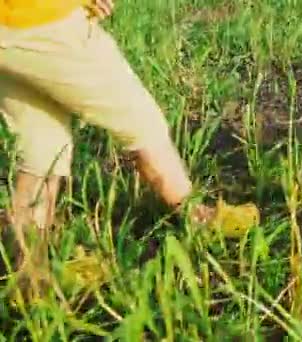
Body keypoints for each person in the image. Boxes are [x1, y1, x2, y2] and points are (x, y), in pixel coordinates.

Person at [0, 0, 259, 296]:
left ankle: (30, 273)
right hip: (44, 20)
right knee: (138, 118)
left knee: (43, 142)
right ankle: (196, 216)